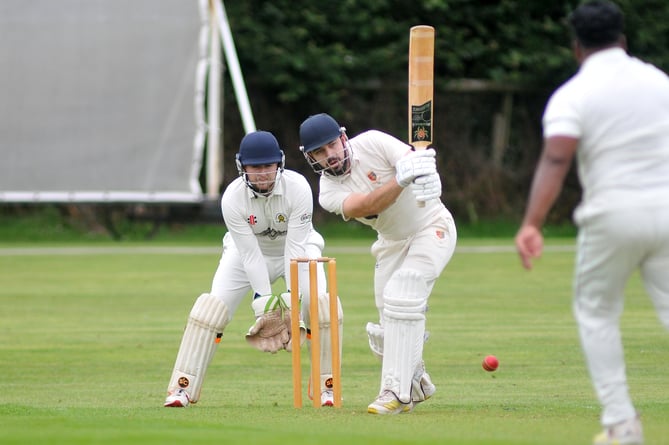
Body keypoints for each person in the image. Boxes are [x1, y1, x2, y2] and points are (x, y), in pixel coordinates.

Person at [515, 1, 669, 444]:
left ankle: (622, 424)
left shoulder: (573, 94)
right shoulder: (657, 80)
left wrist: (532, 223)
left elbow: (557, 156)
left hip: (613, 216)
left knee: (597, 312)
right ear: (623, 39)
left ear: (577, 47)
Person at [164, 130, 343, 408]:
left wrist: (291, 301)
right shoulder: (232, 198)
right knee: (210, 310)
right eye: (255, 167)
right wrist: (265, 303)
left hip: (298, 250)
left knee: (322, 307)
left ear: (279, 164)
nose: (262, 174)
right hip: (246, 252)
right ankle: (182, 388)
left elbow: (294, 250)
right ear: (242, 167)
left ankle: (326, 388)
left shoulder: (299, 188)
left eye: (268, 166)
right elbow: (249, 255)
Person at [298, 113, 457, 414]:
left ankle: (395, 393)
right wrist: (401, 179)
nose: (329, 155)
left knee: (404, 294)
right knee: (384, 334)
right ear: (311, 158)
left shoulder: (373, 141)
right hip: (390, 243)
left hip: (432, 225)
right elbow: (370, 205)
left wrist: (426, 172)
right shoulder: (328, 193)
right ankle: (418, 380)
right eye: (319, 152)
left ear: (343, 138)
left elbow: (414, 161)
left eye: (332, 145)